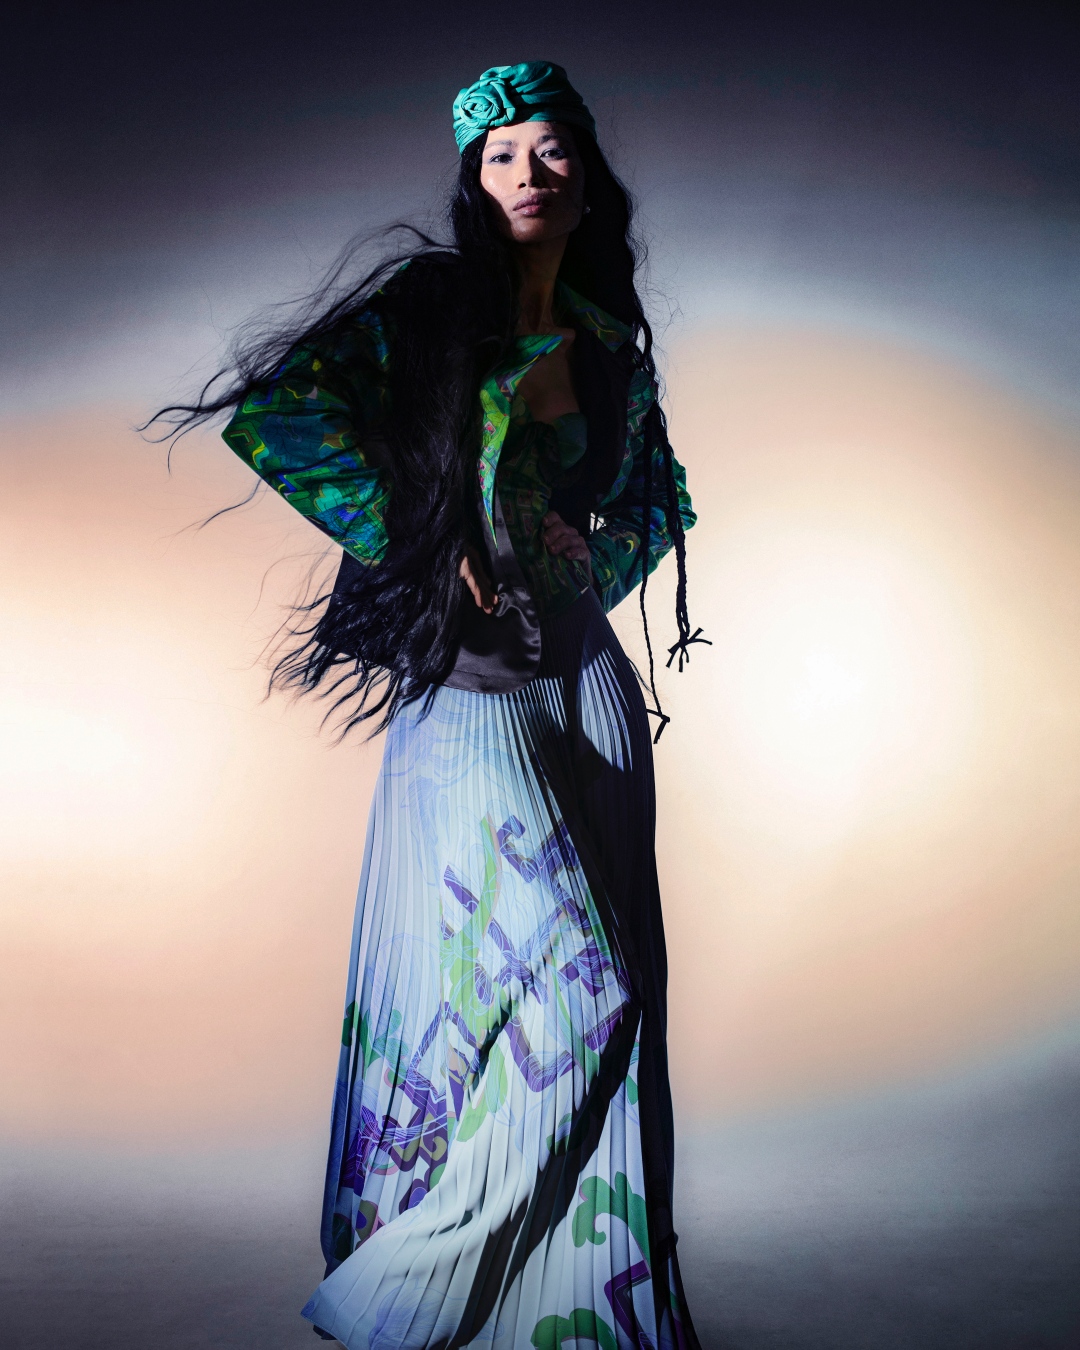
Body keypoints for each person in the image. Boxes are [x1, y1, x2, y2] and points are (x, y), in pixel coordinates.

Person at [158, 60, 701, 1350]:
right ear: (473, 180)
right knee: (575, 987)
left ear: (587, 175)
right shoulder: (430, 307)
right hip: (468, 691)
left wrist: (593, 557)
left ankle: (561, 1310)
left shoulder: (606, 336)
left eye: (552, 148)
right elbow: (281, 419)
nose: (529, 172)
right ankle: (396, 1294)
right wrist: (421, 531)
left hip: (587, 687)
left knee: (622, 992)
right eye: (500, 154)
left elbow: (661, 498)